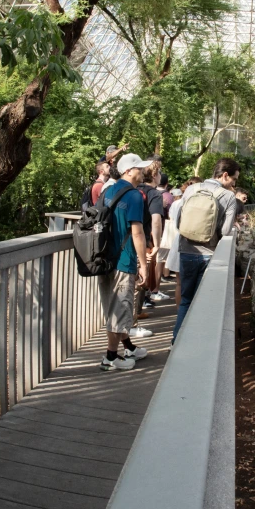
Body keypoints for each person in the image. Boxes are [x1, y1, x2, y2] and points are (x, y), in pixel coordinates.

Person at [173, 159, 239, 341]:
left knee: (186, 300)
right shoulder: (228, 197)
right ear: (225, 175)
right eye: (234, 179)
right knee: (202, 303)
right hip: (209, 255)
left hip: (186, 250)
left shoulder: (192, 189)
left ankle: (176, 340)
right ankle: (194, 342)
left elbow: (179, 221)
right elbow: (225, 231)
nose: (234, 184)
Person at [97, 154, 151, 370]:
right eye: (139, 168)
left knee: (113, 307)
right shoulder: (135, 196)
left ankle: (128, 346)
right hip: (123, 259)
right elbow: (137, 234)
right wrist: (144, 265)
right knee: (120, 308)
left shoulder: (107, 190)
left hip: (102, 258)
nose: (143, 171)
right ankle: (110, 358)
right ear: (129, 171)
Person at [134, 160, 166, 323]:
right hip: (143, 240)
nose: (160, 176)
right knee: (141, 278)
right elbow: (156, 221)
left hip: (126, 241)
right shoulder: (154, 194)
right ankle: (134, 317)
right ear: (154, 175)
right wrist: (157, 243)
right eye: (159, 173)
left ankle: (133, 314)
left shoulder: (134, 190)